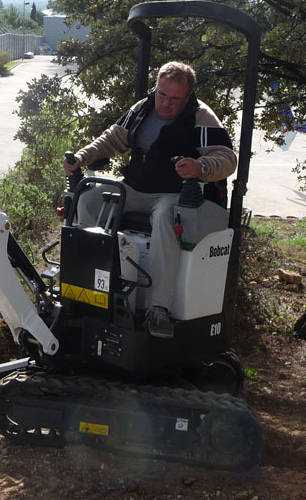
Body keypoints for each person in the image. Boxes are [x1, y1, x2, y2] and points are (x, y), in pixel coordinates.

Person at [63, 61, 237, 338]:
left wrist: (200, 167)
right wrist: (82, 156)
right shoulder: (142, 109)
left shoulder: (200, 116)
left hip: (172, 194)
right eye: (162, 95)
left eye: (175, 99)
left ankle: (159, 308)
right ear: (156, 88)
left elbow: (227, 158)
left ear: (188, 95)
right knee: (87, 201)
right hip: (134, 189)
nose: (166, 104)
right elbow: (111, 139)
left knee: (166, 217)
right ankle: (91, 287)